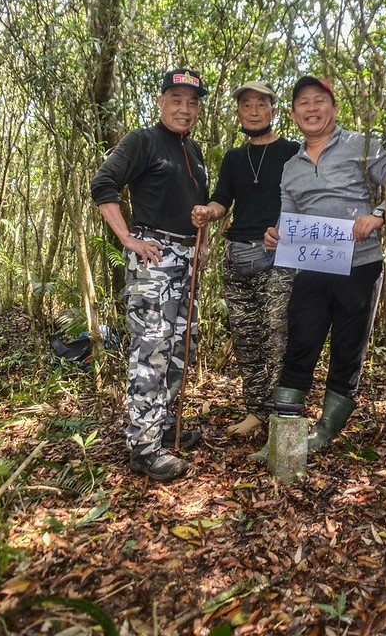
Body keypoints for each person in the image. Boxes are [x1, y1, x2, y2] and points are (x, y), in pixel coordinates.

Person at [252, 75, 386, 459]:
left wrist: (378, 215)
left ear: (334, 107)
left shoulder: (362, 145)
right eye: (303, 103)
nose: (311, 108)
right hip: (310, 268)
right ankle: (284, 441)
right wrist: (277, 235)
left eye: (319, 100)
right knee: (299, 347)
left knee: (347, 350)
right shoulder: (291, 166)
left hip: (359, 267)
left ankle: (323, 434)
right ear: (293, 115)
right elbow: (287, 214)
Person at [91, 68, 209, 482]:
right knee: (151, 350)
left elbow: (197, 207)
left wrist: (203, 242)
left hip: (186, 257)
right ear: (161, 102)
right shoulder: (143, 140)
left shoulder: (192, 151)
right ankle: (143, 446)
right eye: (176, 99)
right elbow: (103, 183)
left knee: (179, 347)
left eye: (192, 102)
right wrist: (128, 239)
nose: (184, 108)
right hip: (153, 256)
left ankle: (164, 426)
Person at [191, 81, 299, 436]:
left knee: (276, 337)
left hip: (279, 255)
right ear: (238, 113)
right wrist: (208, 211)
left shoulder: (293, 153)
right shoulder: (234, 158)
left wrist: (285, 228)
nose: (253, 111)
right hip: (237, 255)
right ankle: (256, 411)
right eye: (246, 105)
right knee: (246, 338)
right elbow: (223, 200)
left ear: (273, 111)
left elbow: (307, 201)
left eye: (261, 104)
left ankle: (282, 416)